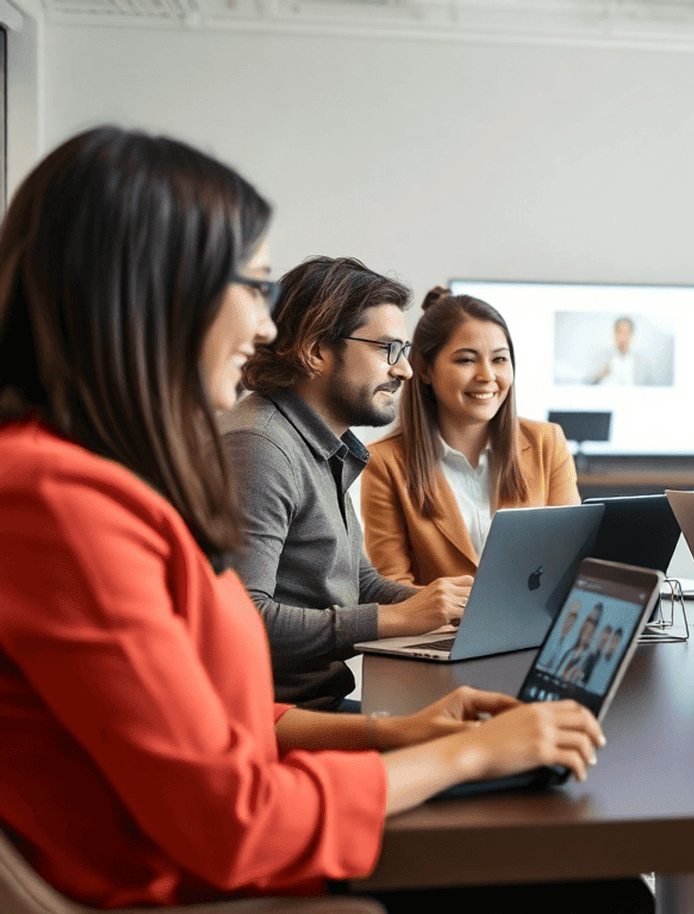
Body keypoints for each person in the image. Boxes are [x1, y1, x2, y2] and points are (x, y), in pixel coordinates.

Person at [0, 126, 649, 912]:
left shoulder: (93, 481)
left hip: (230, 833)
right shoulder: (55, 503)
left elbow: (217, 718)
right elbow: (232, 819)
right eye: (254, 287)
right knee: (599, 890)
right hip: (198, 883)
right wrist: (466, 757)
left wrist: (398, 733)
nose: (266, 326)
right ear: (155, 288)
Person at [221, 257, 471, 710]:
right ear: (316, 350)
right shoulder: (260, 445)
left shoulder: (327, 443)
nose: (405, 371)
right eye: (387, 350)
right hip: (276, 720)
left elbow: (361, 584)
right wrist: (394, 619)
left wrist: (452, 608)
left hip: (317, 706)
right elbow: (242, 620)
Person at [362, 286, 580, 584]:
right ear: (424, 370)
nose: (487, 376)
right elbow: (393, 586)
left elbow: (571, 561)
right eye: (466, 360)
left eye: (500, 360)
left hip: (536, 627)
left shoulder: (547, 443)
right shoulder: (384, 462)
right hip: (441, 631)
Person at [591, 315, 647, 385]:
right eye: (619, 332)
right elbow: (586, 385)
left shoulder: (642, 363)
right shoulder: (601, 359)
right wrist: (598, 377)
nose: (622, 337)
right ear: (614, 334)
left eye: (626, 333)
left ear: (631, 335)